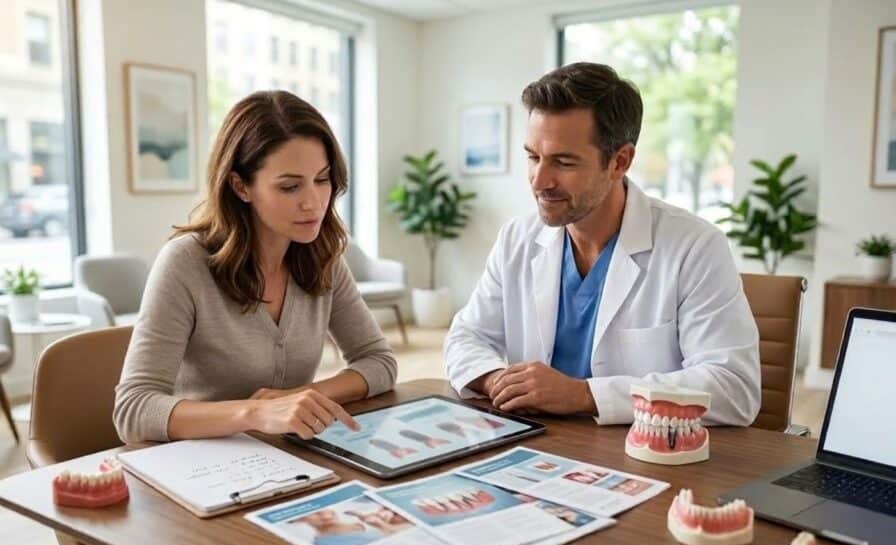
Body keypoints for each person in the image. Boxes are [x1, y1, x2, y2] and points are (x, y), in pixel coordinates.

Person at [443, 62, 760, 426]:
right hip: (536, 448)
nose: (539, 180)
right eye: (533, 157)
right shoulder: (517, 238)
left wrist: (583, 395)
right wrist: (496, 379)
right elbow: (465, 337)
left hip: (642, 457)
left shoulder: (695, 247)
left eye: (563, 162)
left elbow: (734, 388)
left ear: (619, 161)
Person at [113, 91, 397, 443]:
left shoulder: (323, 256)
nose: (313, 202)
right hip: (202, 464)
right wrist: (255, 413)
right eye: (290, 186)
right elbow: (133, 409)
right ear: (240, 186)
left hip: (288, 458)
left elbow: (379, 362)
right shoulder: (185, 263)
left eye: (322, 180)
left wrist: (304, 397)